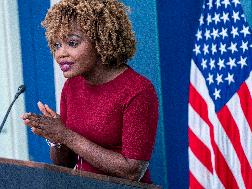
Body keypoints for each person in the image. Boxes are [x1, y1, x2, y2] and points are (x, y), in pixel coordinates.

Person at [21, 0, 158, 184]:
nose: (60, 53)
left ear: (101, 40)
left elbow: (132, 171)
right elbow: (65, 163)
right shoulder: (72, 86)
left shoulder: (138, 90)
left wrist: (66, 135)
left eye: (72, 43)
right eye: (56, 45)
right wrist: (55, 138)